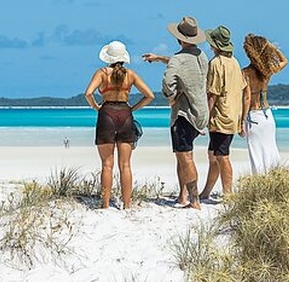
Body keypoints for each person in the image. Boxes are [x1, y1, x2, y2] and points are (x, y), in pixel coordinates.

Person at [143, 16, 209, 210]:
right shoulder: (202, 56)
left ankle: (194, 200)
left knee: (185, 156)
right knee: (183, 154)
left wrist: (171, 97)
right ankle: (183, 195)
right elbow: (180, 62)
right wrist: (159, 58)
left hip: (184, 114)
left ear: (179, 38)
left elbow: (167, 84)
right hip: (201, 112)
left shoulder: (178, 60)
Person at [85, 41, 155, 209]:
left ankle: (106, 204)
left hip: (107, 114)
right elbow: (149, 95)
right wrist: (132, 109)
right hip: (125, 115)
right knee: (125, 165)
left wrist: (97, 107)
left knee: (107, 165)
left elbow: (88, 93)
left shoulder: (102, 73)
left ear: (108, 57)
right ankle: (127, 205)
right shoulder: (130, 74)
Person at [199, 25, 247, 201]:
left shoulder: (216, 63)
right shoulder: (234, 62)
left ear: (216, 45)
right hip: (233, 113)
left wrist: (205, 116)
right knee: (213, 155)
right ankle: (206, 192)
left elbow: (212, 93)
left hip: (221, 115)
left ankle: (228, 193)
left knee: (221, 155)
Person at [240, 33, 288, 174]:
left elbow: (247, 98)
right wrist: (271, 47)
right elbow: (284, 61)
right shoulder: (267, 70)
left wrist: (242, 121)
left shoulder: (246, 73)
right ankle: (275, 181)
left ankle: (260, 186)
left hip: (254, 117)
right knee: (271, 151)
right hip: (267, 115)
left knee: (257, 154)